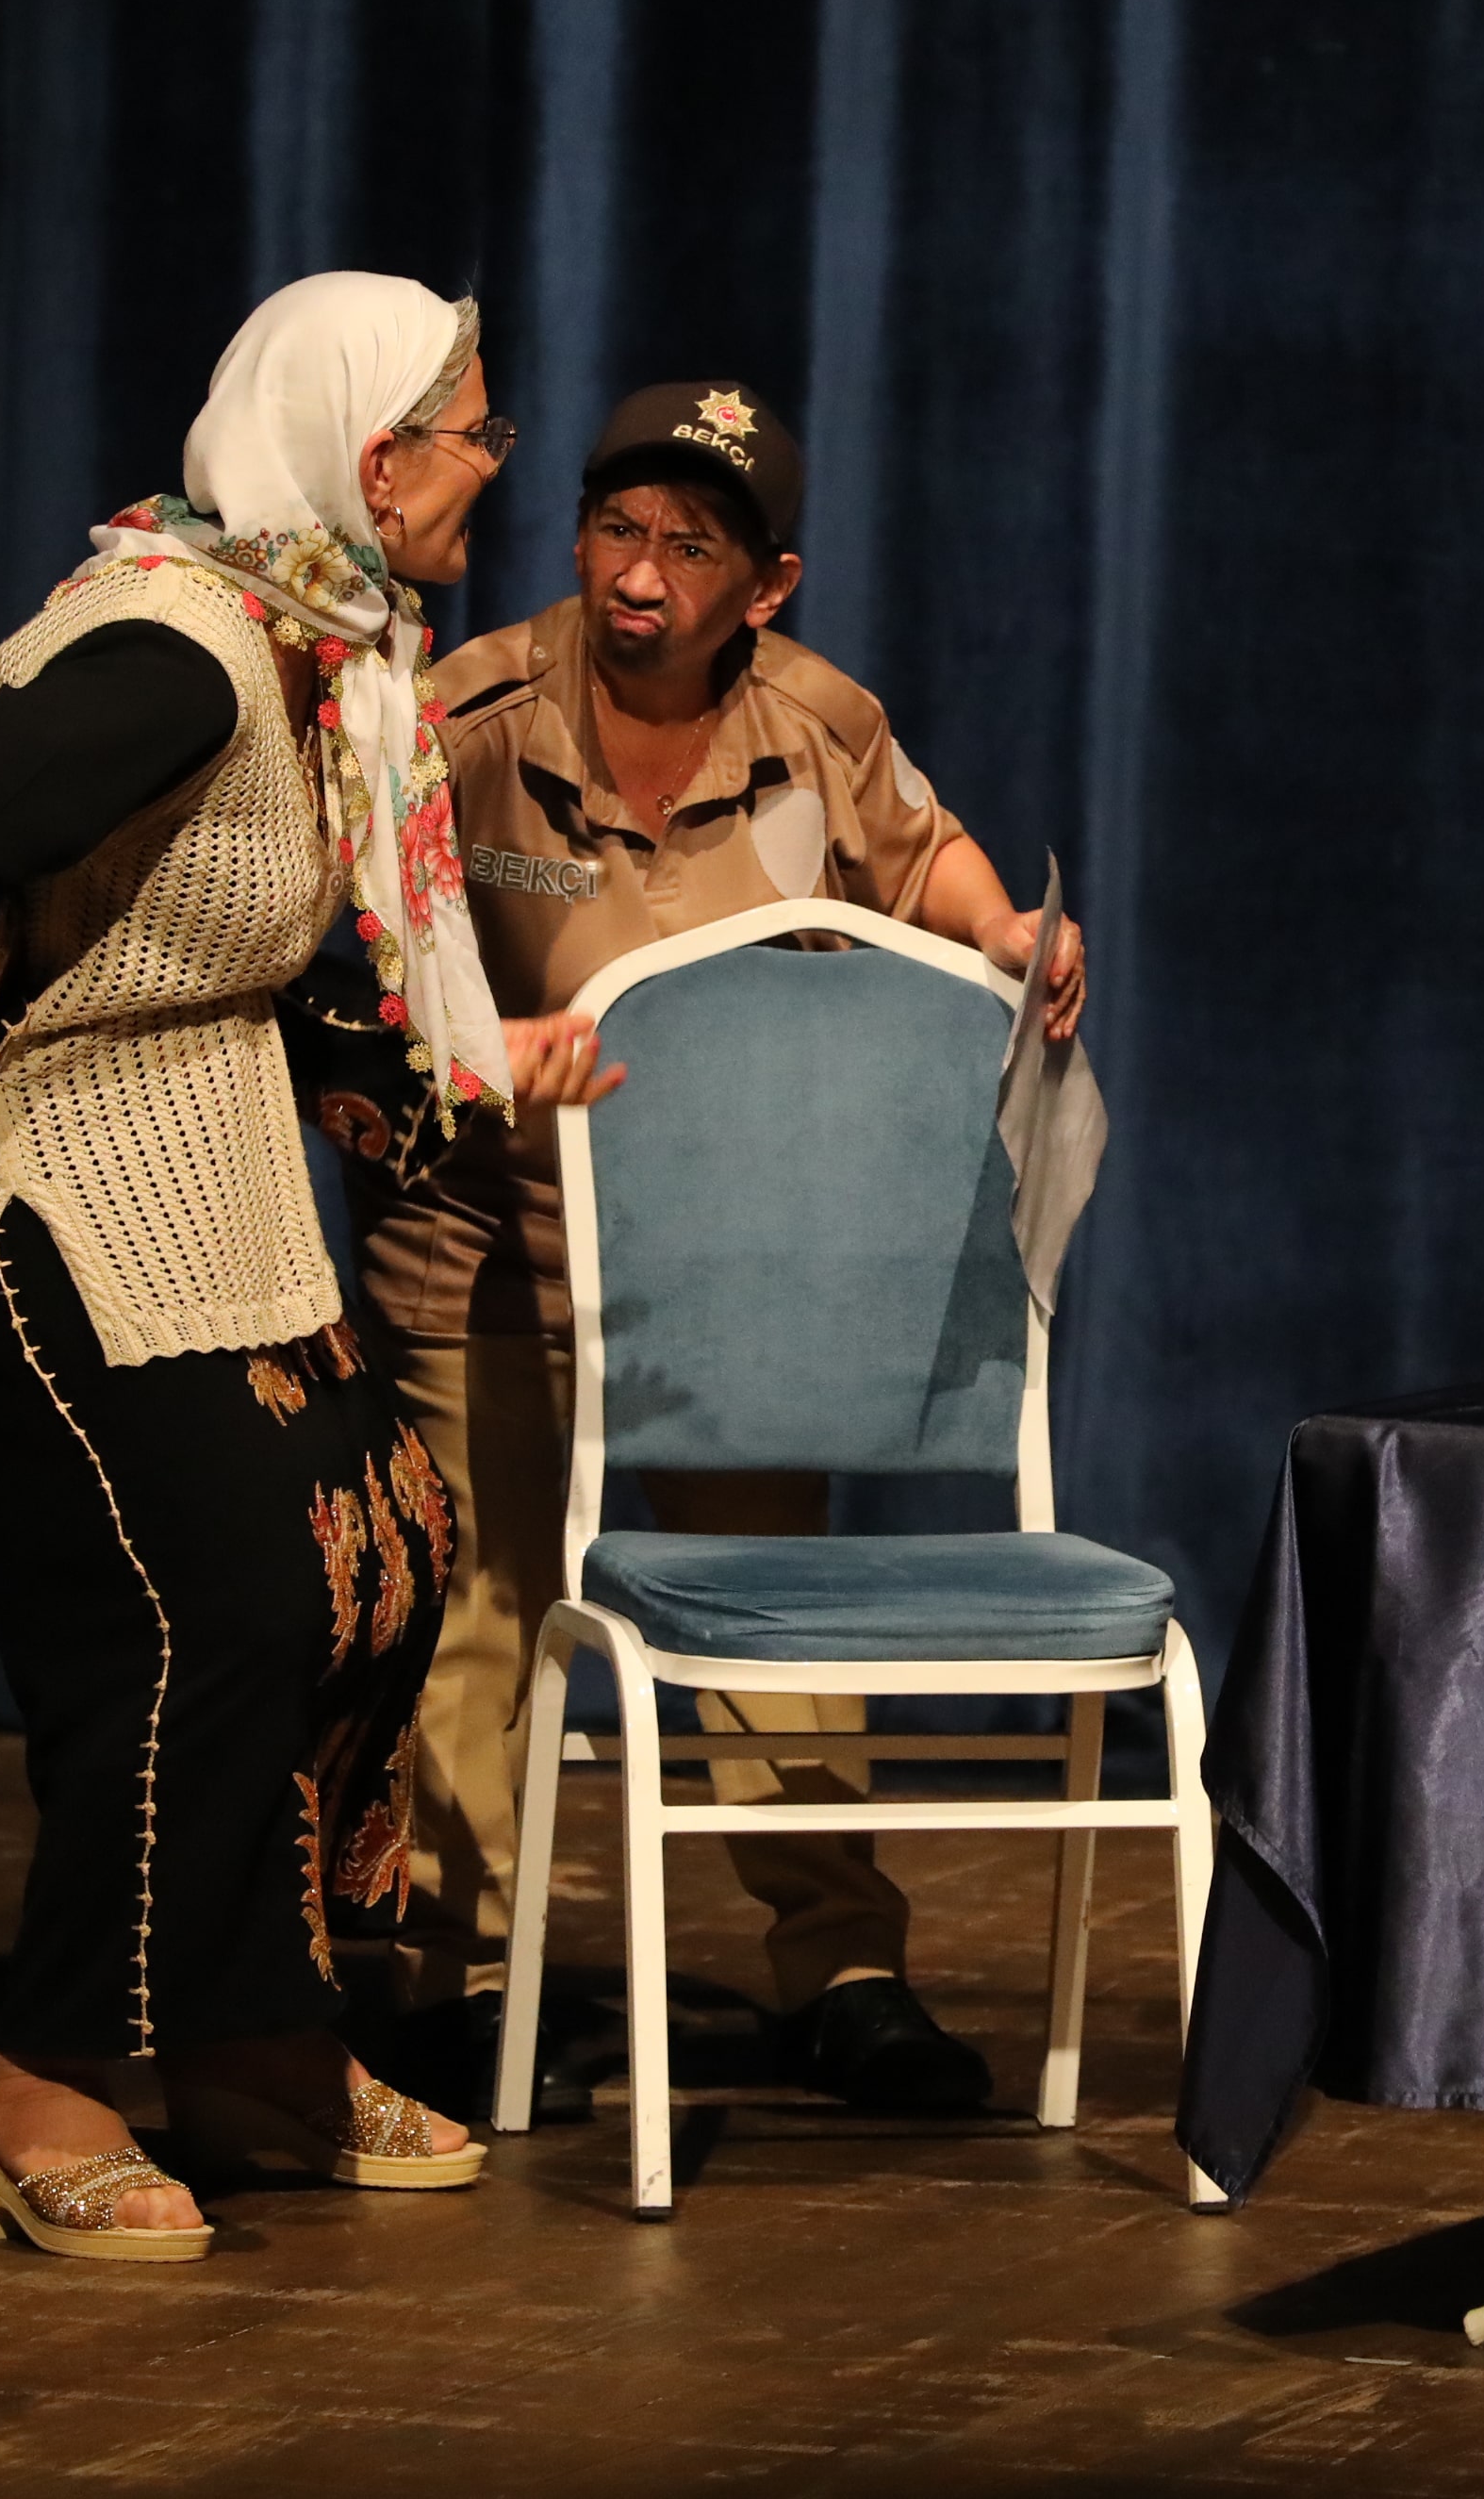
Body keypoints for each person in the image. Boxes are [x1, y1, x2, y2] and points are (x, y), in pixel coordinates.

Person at [0, 271, 567, 2260]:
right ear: (377, 460)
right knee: (205, 1615)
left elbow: (240, 945)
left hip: (193, 1183)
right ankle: (40, 2078)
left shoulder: (316, 649)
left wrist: (451, 1068)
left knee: (379, 1547)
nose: (492, 466)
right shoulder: (181, 648)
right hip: (25, 1190)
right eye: (475, 432)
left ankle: (252, 2034)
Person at [346, 379, 1085, 2117]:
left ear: (767, 584)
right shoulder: (463, 717)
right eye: (615, 527)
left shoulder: (815, 722)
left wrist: (1007, 931)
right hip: (493, 1250)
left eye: (689, 547)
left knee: (768, 1622)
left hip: (736, 1269)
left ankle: (840, 1969)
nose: (637, 573)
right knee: (481, 1619)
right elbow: (360, 947)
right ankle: (464, 1975)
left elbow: (928, 856)